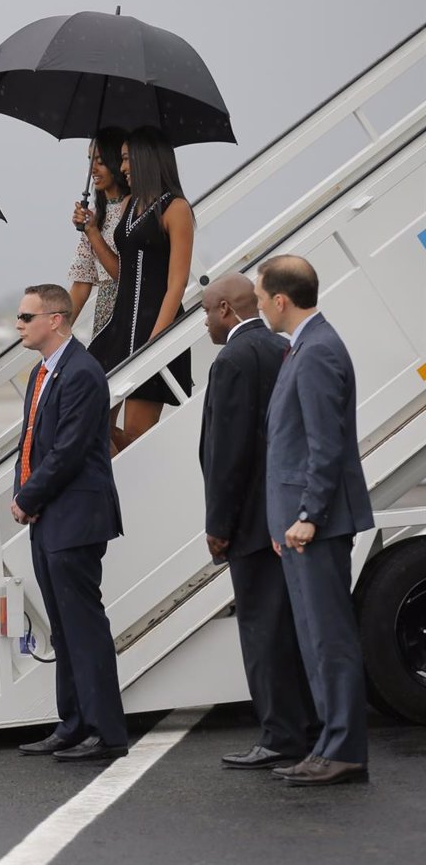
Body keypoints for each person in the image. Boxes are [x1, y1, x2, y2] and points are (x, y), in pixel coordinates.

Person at [256, 255, 373, 787]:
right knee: (314, 638)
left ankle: (344, 748)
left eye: (260, 297)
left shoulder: (318, 351)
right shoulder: (305, 346)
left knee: (329, 638)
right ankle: (330, 743)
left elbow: (325, 448)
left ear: (281, 300)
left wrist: (307, 516)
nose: (258, 305)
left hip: (316, 524)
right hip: (300, 525)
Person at [198, 274, 317, 770]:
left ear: (225, 308)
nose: (204, 323)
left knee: (262, 631)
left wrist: (218, 524)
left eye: (206, 312)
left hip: (247, 522)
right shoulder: (282, 346)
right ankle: (303, 726)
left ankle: (280, 736)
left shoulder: (232, 358)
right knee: (288, 628)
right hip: (281, 513)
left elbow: (229, 453)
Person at [11, 285, 129, 762]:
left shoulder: (81, 372)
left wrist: (28, 496)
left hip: (74, 515)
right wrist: (28, 496)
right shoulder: (44, 372)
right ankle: (74, 723)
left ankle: (107, 732)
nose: (17, 324)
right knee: (63, 627)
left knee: (83, 627)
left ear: (56, 319)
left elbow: (70, 450)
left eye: (25, 315)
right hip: (51, 514)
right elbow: (34, 443)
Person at [87, 126, 195, 452]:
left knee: (136, 439)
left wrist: (155, 343)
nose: (121, 168)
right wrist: (92, 231)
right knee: (90, 419)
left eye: (124, 159)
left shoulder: (175, 208)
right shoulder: (132, 204)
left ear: (145, 158)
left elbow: (177, 283)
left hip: (154, 328)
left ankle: (132, 492)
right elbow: (124, 272)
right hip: (118, 330)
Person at [68, 127, 130, 343]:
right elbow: (81, 283)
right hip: (104, 312)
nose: (92, 169)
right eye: (89, 160)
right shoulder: (94, 217)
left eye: (101, 161)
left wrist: (93, 233)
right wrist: (57, 335)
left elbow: (125, 275)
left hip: (130, 307)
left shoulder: (137, 208)